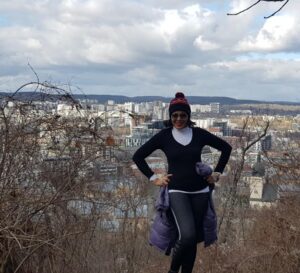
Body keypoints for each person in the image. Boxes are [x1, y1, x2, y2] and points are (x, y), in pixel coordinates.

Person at [132, 92, 232, 273]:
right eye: (175, 115)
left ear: (188, 116)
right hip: (176, 191)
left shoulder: (199, 134)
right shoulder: (164, 136)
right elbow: (138, 156)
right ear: (170, 117)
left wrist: (217, 173)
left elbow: (226, 148)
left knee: (192, 240)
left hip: (200, 192)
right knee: (187, 235)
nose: (179, 119)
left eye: (183, 115)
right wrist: (154, 178)